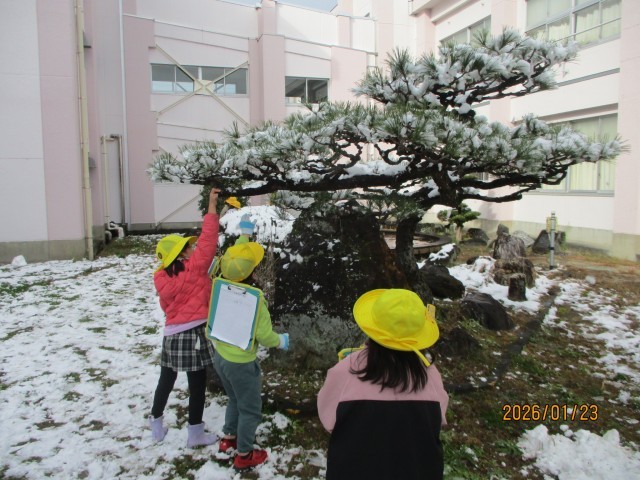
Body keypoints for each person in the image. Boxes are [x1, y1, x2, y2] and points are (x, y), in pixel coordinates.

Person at [317, 289, 449, 480]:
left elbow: (328, 418)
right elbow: (438, 419)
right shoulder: (430, 373)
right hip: (417, 469)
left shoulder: (345, 370)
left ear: (373, 326)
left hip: (354, 470)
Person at [212, 220, 290, 470]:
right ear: (253, 272)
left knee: (234, 398)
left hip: (220, 356)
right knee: (250, 409)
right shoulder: (255, 301)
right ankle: (244, 454)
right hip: (242, 364)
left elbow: (236, 258)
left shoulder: (221, 284)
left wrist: (245, 236)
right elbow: (265, 336)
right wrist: (281, 340)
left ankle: (228, 439)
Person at [148, 188, 222, 447]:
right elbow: (208, 238)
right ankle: (195, 433)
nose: (192, 248)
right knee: (197, 383)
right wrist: (212, 205)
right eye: (187, 247)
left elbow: (165, 305)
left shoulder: (161, 277)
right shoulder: (196, 267)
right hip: (194, 333)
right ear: (179, 254)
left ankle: (156, 423)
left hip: (172, 334)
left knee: (166, 379)